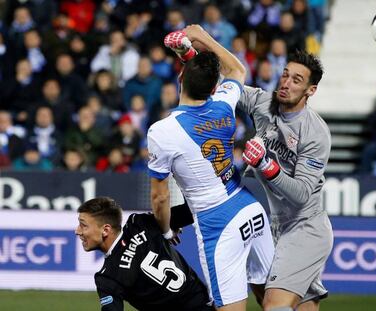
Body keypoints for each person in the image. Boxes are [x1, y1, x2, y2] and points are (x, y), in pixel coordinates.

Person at [148, 25, 274, 311]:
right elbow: (237, 71)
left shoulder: (162, 131)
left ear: (181, 77)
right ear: (214, 87)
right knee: (273, 301)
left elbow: (160, 197)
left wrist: (166, 231)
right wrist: (203, 37)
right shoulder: (224, 103)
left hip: (218, 223)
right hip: (250, 208)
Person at [239, 50, 333, 311]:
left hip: (305, 227)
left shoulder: (315, 132)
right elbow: (228, 85)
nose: (286, 83)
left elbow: (302, 193)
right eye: (285, 75)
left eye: (297, 80)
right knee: (273, 298)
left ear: (310, 90)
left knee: (274, 305)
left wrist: (266, 166)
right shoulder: (263, 103)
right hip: (274, 226)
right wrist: (194, 49)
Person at [75, 196, 213, 311]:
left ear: (105, 230)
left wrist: (167, 228)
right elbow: (189, 211)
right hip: (208, 303)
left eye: (83, 225)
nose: (77, 231)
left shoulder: (108, 277)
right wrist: (169, 227)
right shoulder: (139, 223)